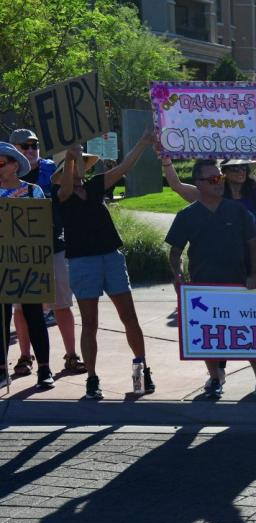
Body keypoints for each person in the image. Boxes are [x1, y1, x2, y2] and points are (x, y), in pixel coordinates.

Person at [165, 159, 256, 399]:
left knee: (250, 332)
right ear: (198, 183)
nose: (218, 183)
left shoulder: (237, 211)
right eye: (212, 179)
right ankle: (215, 379)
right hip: (205, 286)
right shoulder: (187, 216)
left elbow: (254, 245)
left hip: (239, 284)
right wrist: (177, 275)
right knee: (209, 334)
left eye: (219, 178)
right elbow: (175, 251)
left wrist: (254, 274)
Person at [54, 135, 155, 399]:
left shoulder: (96, 185)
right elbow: (66, 189)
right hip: (82, 262)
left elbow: (123, 168)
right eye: (72, 165)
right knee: (90, 323)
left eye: (80, 164)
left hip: (110, 256)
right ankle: (92, 378)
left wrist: (143, 142)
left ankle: (143, 368)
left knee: (129, 317)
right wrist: (70, 158)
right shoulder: (60, 195)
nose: (77, 169)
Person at [12, 129, 85, 375]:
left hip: (54, 246)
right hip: (21, 252)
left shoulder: (51, 170)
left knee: (62, 303)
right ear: (14, 151)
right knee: (21, 308)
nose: (31, 150)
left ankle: (72, 354)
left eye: (34, 145)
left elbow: (67, 193)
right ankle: (24, 356)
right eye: (25, 146)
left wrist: (74, 159)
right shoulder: (6, 177)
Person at [0, 141, 53, 389]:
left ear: (14, 165)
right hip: (2, 267)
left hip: (30, 267)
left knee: (35, 316)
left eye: (1, 163)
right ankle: (2, 368)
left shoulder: (33, 192)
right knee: (1, 318)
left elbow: (43, 228)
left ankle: (44, 369)